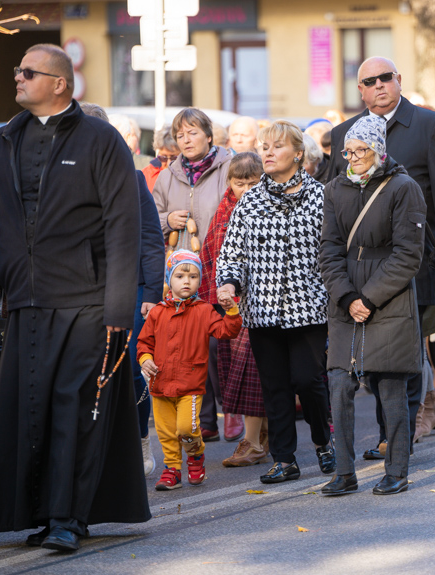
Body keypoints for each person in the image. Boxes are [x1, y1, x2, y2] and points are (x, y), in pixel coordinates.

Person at [0, 43, 149, 551]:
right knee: (29, 409)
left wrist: (117, 308)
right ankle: (38, 513)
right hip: (25, 302)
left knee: (73, 409)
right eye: (19, 72)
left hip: (86, 302)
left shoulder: (101, 140)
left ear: (59, 83)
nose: (16, 78)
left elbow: (122, 228)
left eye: (27, 72)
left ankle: (68, 517)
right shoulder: (4, 142)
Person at [329, 57, 435, 456]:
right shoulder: (344, 133)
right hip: (361, 264)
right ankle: (416, 412)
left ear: (398, 80)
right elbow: (334, 199)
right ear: (360, 90)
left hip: (415, 255)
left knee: (402, 351)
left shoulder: (429, 124)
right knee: (373, 352)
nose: (379, 86)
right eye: (369, 82)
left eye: (385, 78)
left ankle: (395, 436)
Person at [216, 120, 335, 484]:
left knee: (308, 379)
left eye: (276, 146)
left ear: (298, 154)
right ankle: (284, 459)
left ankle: (323, 442)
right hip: (263, 309)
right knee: (275, 384)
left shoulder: (322, 197)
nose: (266, 152)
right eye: (263, 146)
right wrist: (229, 283)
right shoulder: (250, 200)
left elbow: (334, 251)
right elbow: (231, 253)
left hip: (309, 306)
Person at [319, 115, 426, 496]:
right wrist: (347, 297)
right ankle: (344, 473)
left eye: (361, 150)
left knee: (391, 387)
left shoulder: (404, 187)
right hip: (346, 299)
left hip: (389, 299)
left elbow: (408, 255)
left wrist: (369, 298)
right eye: (348, 150)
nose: (353, 157)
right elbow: (328, 250)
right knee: (338, 384)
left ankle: (397, 469)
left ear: (378, 149)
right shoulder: (335, 189)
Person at [80, 101, 165, 476]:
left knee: (129, 368)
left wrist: (150, 295)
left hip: (129, 288)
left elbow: (150, 238)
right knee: (87, 369)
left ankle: (140, 439)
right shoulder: (63, 181)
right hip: (79, 292)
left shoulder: (132, 180)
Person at [152, 107, 231, 442]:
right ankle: (206, 418)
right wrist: (168, 219)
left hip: (221, 266)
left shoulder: (228, 166)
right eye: (180, 134)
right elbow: (150, 217)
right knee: (191, 346)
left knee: (219, 344)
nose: (186, 139)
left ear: (209, 136)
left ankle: (234, 414)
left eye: (193, 132)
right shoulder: (169, 174)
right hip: (183, 273)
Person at [138, 250, 242, 490]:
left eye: (193, 276)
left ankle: (195, 457)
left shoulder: (204, 310)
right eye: (180, 275)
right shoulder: (157, 312)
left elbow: (227, 331)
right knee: (165, 432)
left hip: (190, 384)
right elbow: (145, 342)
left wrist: (232, 311)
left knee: (187, 428)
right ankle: (172, 470)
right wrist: (145, 358)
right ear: (169, 279)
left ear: (200, 281)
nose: (187, 281)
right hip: (160, 384)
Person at [197, 152, 269, 466]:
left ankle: (256, 439)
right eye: (240, 183)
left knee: (258, 371)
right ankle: (255, 438)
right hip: (232, 306)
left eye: (253, 183)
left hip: (266, 303)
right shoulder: (224, 211)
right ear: (230, 183)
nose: (247, 189)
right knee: (242, 371)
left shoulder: (268, 205)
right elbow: (211, 254)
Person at [142, 127, 180, 193]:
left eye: (174, 158)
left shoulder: (190, 176)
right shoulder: (146, 175)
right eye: (163, 157)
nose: (169, 163)